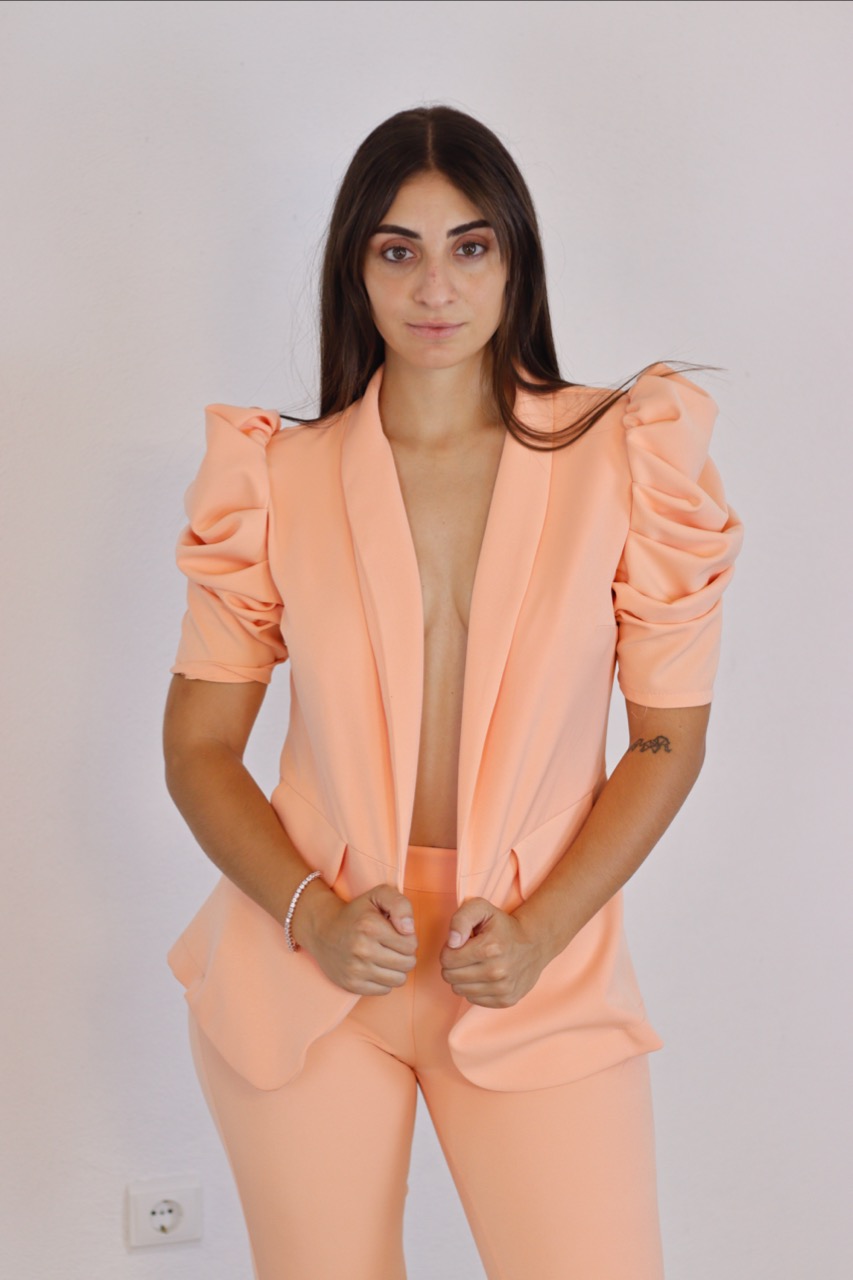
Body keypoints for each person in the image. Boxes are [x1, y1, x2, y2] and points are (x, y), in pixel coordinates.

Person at [162, 105, 743, 1280]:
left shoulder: (628, 457)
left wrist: (541, 929)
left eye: (470, 246)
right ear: (357, 269)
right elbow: (198, 746)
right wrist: (312, 913)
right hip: (307, 974)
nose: (436, 286)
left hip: (534, 967)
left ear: (515, 259)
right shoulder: (274, 476)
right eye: (399, 250)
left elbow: (666, 741)